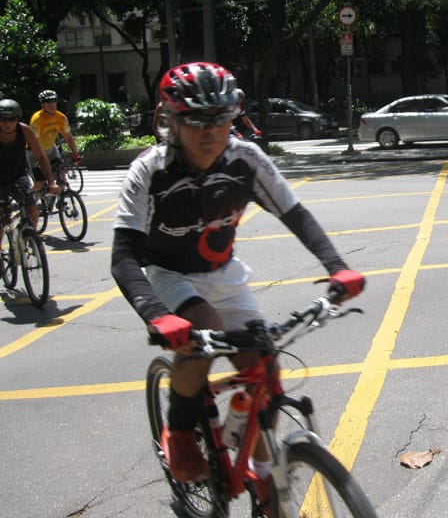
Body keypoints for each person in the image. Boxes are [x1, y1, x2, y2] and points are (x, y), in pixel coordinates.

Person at [109, 62, 365, 503]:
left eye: (221, 117)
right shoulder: (150, 171)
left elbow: (295, 214)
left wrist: (337, 266)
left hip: (226, 275)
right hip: (170, 275)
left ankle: (263, 474)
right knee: (202, 332)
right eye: (196, 119)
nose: (211, 130)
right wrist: (156, 315)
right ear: (170, 121)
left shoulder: (245, 159)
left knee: (263, 365)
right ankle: (181, 432)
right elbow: (123, 256)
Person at [0, 99, 57, 232]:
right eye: (3, 119)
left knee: (32, 209)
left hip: (19, 175)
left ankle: (30, 238)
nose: (7, 124)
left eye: (12, 119)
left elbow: (41, 157)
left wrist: (51, 182)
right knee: (2, 218)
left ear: (18, 118)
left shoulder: (25, 130)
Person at [29, 90, 81, 184]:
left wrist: (75, 154)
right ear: (43, 105)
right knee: (40, 183)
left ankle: (63, 190)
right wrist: (41, 160)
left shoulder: (61, 117)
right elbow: (33, 141)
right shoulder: (37, 119)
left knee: (61, 171)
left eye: (53, 102)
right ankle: (39, 191)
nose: (51, 105)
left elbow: (68, 137)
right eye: (48, 103)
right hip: (34, 151)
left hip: (50, 148)